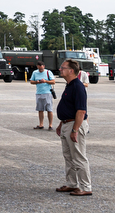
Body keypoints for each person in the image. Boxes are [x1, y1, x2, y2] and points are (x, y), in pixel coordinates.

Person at [54, 59, 92, 196]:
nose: (60, 69)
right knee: (68, 156)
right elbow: (69, 107)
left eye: (63, 67)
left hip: (74, 125)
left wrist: (75, 130)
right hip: (66, 123)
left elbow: (81, 111)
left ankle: (86, 187)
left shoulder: (78, 86)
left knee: (79, 157)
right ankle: (72, 184)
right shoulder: (69, 85)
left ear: (71, 71)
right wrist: (61, 123)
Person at [30, 60, 56, 130]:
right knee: (40, 109)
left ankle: (50, 125)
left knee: (49, 109)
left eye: (41, 69)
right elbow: (31, 81)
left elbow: (53, 82)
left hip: (47, 93)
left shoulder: (48, 72)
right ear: (37, 67)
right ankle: (41, 124)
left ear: (44, 66)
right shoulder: (35, 73)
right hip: (39, 93)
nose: (40, 70)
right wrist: (36, 82)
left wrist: (45, 81)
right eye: (39, 69)